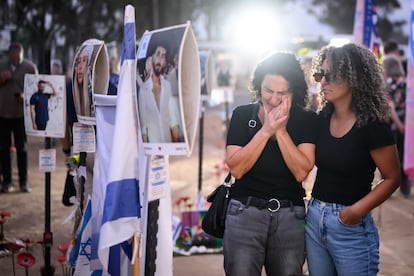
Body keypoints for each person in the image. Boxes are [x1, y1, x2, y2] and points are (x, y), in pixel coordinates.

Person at [305, 43, 401, 275]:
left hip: (350, 226)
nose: (323, 81)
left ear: (354, 77)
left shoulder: (373, 126)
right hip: (315, 219)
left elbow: (392, 178)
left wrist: (356, 211)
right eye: (321, 74)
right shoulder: (321, 119)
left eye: (332, 75)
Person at [224, 51, 317, 276]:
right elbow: (236, 168)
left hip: (289, 217)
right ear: (258, 87)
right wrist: (266, 131)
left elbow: (301, 172)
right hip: (245, 213)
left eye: (282, 93)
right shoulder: (242, 115)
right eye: (268, 91)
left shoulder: (306, 120)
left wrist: (281, 132)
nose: (274, 99)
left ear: (294, 91)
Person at [0, 42, 38, 193]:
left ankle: (23, 181)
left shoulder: (30, 68)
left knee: (22, 148)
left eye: (19, 58)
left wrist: (26, 96)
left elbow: (37, 90)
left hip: (21, 115)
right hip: (2, 113)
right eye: (14, 58)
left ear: (22, 55)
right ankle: (7, 181)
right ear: (9, 55)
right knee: (4, 149)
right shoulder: (2, 66)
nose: (16, 61)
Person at [138, 43, 182, 143]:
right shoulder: (143, 90)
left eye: (163, 56)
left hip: (167, 144)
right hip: (152, 149)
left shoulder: (167, 86)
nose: (160, 59)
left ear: (165, 62)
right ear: (152, 58)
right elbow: (143, 127)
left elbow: (173, 120)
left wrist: (177, 145)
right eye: (157, 54)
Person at [382, 47, 409, 196]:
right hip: (407, 123)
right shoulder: (406, 82)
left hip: (393, 124)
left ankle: (388, 188)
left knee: (391, 156)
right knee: (404, 154)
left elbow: (389, 105)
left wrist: (398, 123)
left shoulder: (390, 83)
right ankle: (405, 187)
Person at [73, 45, 92, 117]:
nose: (80, 67)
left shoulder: (95, 92)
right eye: (78, 61)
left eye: (84, 60)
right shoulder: (68, 91)